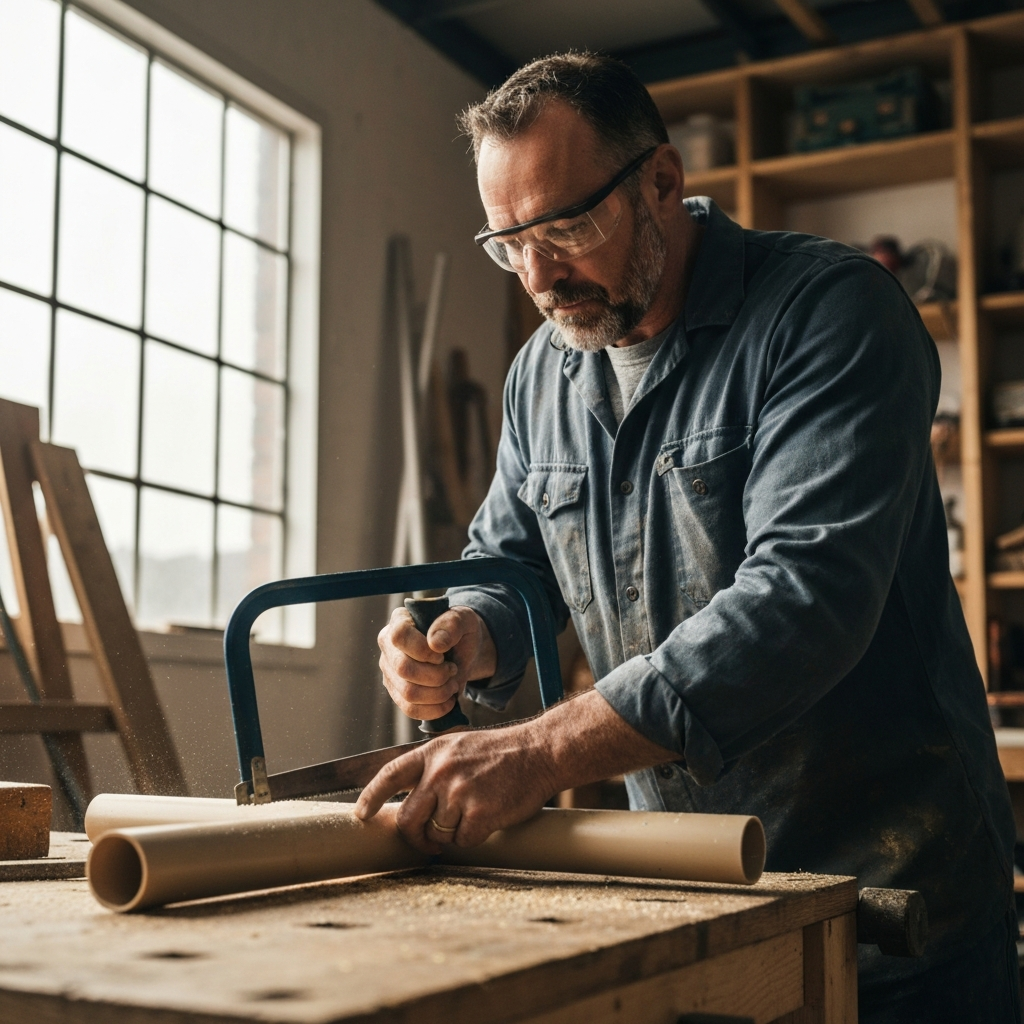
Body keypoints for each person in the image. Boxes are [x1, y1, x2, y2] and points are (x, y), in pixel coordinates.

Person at [355, 52, 1019, 1021]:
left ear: (662, 183)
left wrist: (539, 752)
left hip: (887, 894)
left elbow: (804, 598)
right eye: (508, 243)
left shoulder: (830, 314)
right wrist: (465, 633)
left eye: (565, 227)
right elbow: (513, 563)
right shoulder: (542, 372)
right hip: (687, 887)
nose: (538, 275)